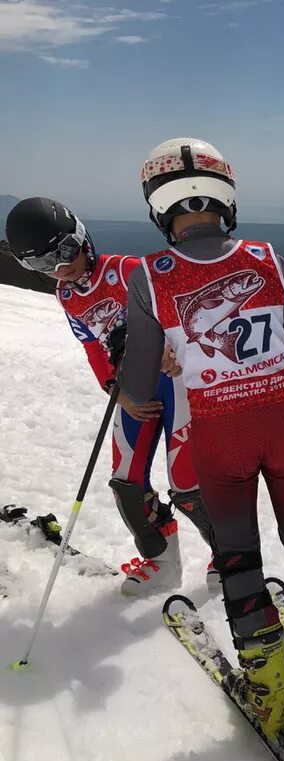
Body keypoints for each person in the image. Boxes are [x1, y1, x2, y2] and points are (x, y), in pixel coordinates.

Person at [117, 137, 284, 757]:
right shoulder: (265, 256)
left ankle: (271, 696)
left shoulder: (148, 277)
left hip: (220, 437)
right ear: (225, 197)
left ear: (160, 209)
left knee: (238, 560)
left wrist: (142, 393)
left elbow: (137, 385)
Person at [4, 197, 215, 596]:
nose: (61, 268)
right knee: (126, 484)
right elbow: (93, 348)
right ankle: (162, 560)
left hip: (177, 384)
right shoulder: (67, 296)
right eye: (43, 265)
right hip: (134, 390)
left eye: (64, 252)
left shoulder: (129, 271)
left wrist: (176, 345)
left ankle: (227, 552)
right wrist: (116, 393)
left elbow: (189, 315)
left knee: (187, 481)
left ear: (81, 238)